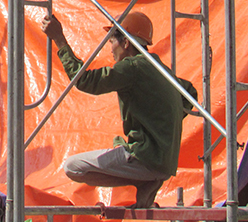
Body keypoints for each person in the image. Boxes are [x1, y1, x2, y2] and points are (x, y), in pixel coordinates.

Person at [40, 10, 195, 208]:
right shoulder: (158, 67)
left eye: (112, 42)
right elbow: (190, 94)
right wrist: (161, 125)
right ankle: (147, 182)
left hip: (144, 157)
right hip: (165, 163)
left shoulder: (132, 67)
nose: (111, 50)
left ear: (126, 43)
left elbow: (85, 81)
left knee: (73, 168)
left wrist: (59, 39)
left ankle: (143, 178)